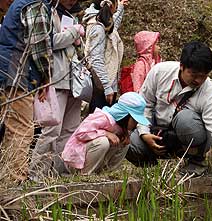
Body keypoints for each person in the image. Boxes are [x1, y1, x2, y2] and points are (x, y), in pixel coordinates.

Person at [126, 41, 212, 189]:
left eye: (203, 76)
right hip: (159, 133)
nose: (198, 80)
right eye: (194, 75)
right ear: (182, 66)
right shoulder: (159, 72)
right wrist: (144, 134)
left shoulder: (209, 91)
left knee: (185, 119)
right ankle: (152, 168)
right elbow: (145, 105)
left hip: (188, 137)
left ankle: (196, 161)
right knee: (131, 142)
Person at [29, 0, 85, 181]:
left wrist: (78, 41)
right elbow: (50, 42)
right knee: (52, 129)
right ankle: (36, 175)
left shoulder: (73, 15)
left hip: (74, 81)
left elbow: (77, 47)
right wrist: (74, 32)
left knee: (70, 130)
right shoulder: (48, 11)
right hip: (56, 78)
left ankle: (60, 173)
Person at [0, 0, 53, 182]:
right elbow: (40, 47)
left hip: (9, 70)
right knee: (21, 129)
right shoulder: (35, 4)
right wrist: (47, 75)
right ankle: (15, 180)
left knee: (10, 127)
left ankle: (8, 176)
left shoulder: (21, 3)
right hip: (17, 72)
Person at [62, 92, 150, 175]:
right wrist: (105, 133)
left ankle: (106, 173)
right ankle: (85, 174)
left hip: (92, 159)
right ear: (125, 115)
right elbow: (81, 134)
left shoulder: (120, 126)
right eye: (134, 120)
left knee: (124, 143)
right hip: (76, 161)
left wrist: (125, 134)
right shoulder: (102, 117)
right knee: (102, 142)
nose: (136, 124)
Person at [83, 0, 128, 113]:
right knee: (99, 122)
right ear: (112, 5)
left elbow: (113, 27)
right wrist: (107, 87)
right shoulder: (97, 27)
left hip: (106, 83)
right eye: (116, 5)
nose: (116, 9)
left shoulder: (103, 23)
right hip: (101, 85)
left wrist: (121, 7)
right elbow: (96, 58)